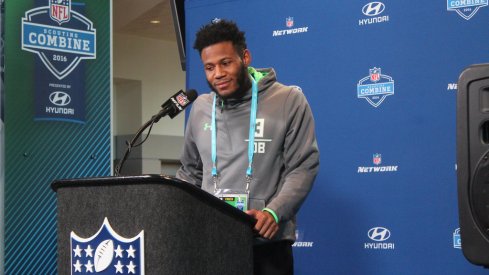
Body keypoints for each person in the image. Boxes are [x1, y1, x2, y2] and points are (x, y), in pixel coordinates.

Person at [176, 19, 319, 275]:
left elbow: (303, 167)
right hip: (212, 243)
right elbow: (189, 173)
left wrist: (273, 213)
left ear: (245, 57)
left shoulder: (288, 100)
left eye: (225, 63)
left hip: (267, 244)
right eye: (209, 67)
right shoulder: (200, 108)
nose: (217, 74)